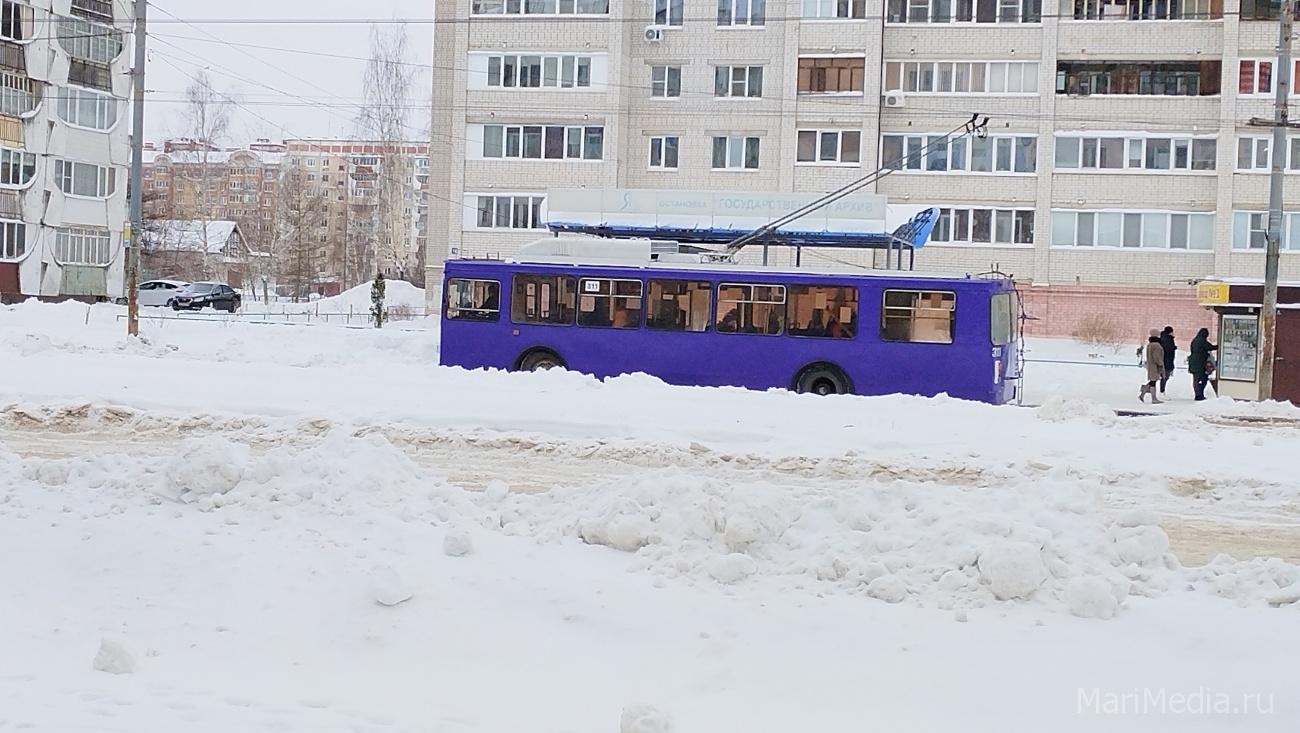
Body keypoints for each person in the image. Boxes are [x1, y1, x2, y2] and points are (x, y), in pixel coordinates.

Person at [1188, 327, 1218, 401]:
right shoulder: (1202, 340)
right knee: (1202, 379)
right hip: (1200, 362)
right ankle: (1199, 395)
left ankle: (1197, 394)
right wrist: (1219, 346)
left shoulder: (1195, 340)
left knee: (1196, 379)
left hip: (1193, 362)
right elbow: (1210, 347)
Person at [1140, 329, 1165, 404]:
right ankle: (1153, 398)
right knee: (1153, 381)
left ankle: (1143, 392)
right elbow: (1157, 357)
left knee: (1153, 380)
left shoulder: (1150, 345)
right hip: (1155, 366)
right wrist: (1160, 364)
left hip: (1150, 365)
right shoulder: (1157, 346)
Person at [1159, 326, 1177, 395]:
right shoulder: (1168, 339)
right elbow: (1168, 349)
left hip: (1165, 359)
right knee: (1165, 376)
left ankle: (1161, 390)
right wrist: (1173, 348)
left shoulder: (1163, 337)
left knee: (1164, 376)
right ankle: (1162, 391)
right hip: (1167, 360)